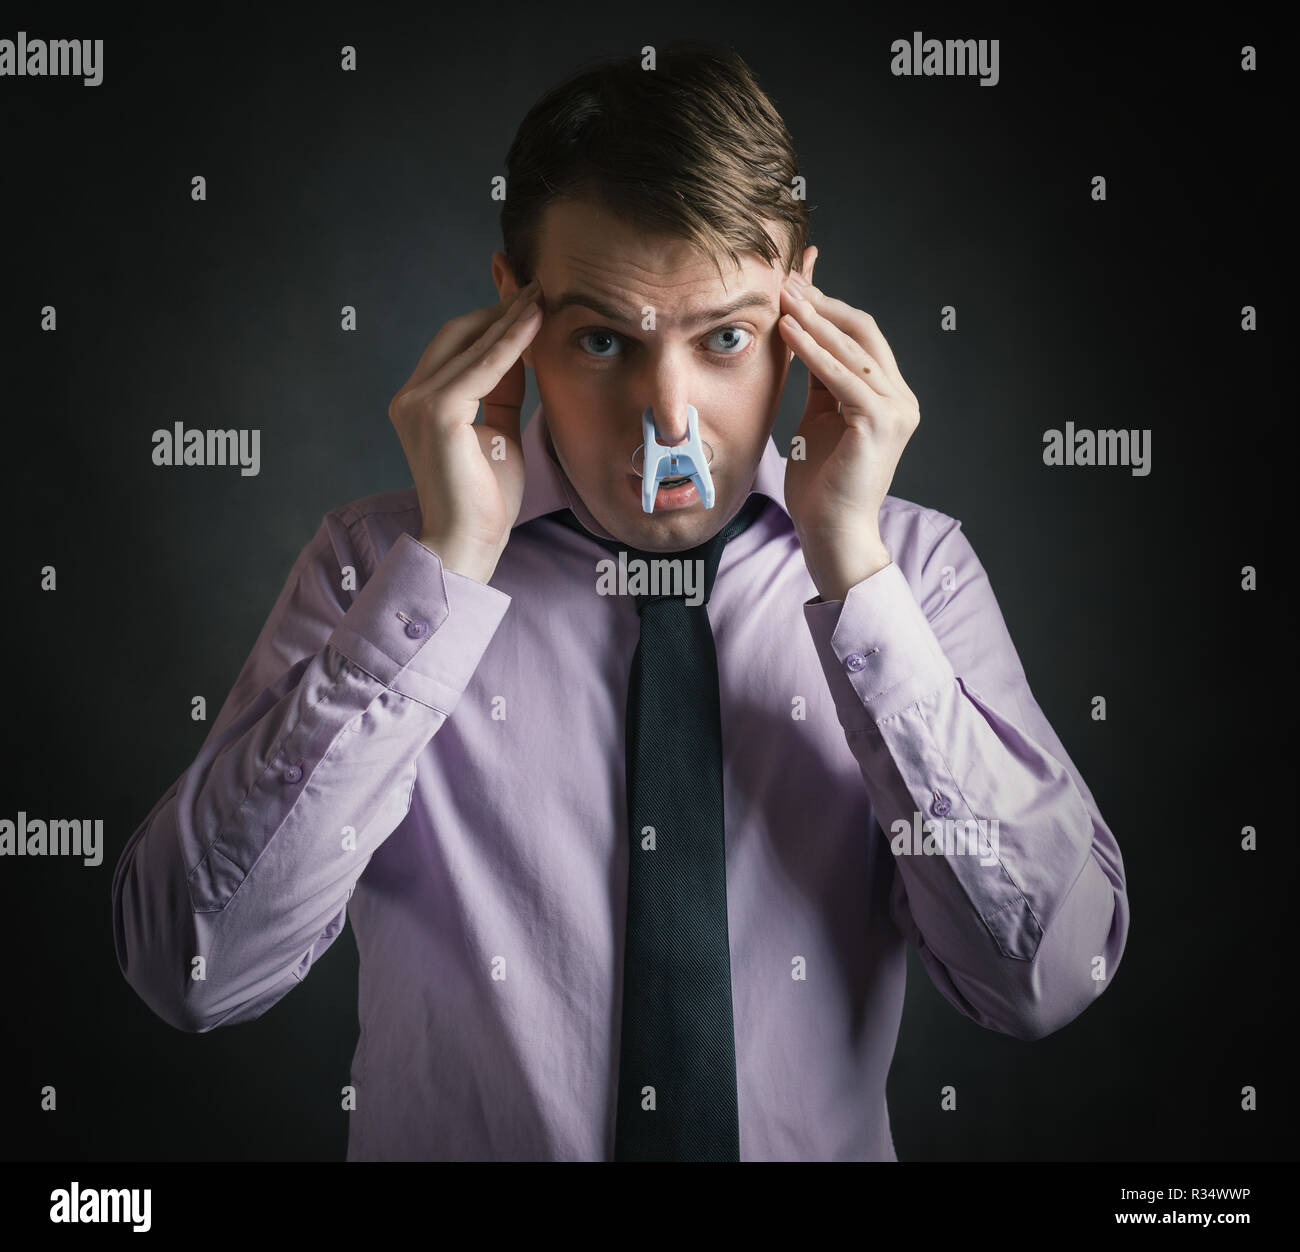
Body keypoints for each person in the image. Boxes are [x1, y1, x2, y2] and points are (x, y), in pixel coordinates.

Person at [111, 41, 1129, 1162]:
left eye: (727, 339)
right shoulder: (374, 568)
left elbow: (1044, 981)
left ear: (804, 309)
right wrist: (443, 572)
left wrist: (855, 578)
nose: (670, 421)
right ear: (515, 311)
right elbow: (191, 972)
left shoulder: (915, 575)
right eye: (603, 339)